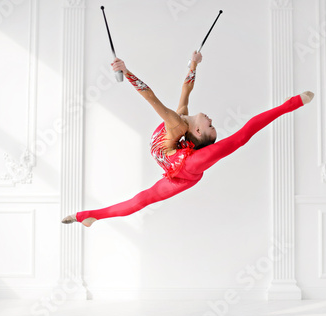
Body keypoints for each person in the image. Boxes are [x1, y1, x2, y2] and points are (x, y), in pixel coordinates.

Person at [62, 51, 313, 227]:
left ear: (199, 133)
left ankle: (89, 215)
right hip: (171, 159)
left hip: (185, 172)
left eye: (211, 126)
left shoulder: (177, 125)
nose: (212, 119)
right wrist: (193, 65)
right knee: (140, 200)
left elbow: (151, 97)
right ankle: (89, 216)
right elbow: (186, 90)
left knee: (141, 200)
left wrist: (126, 71)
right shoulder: (182, 118)